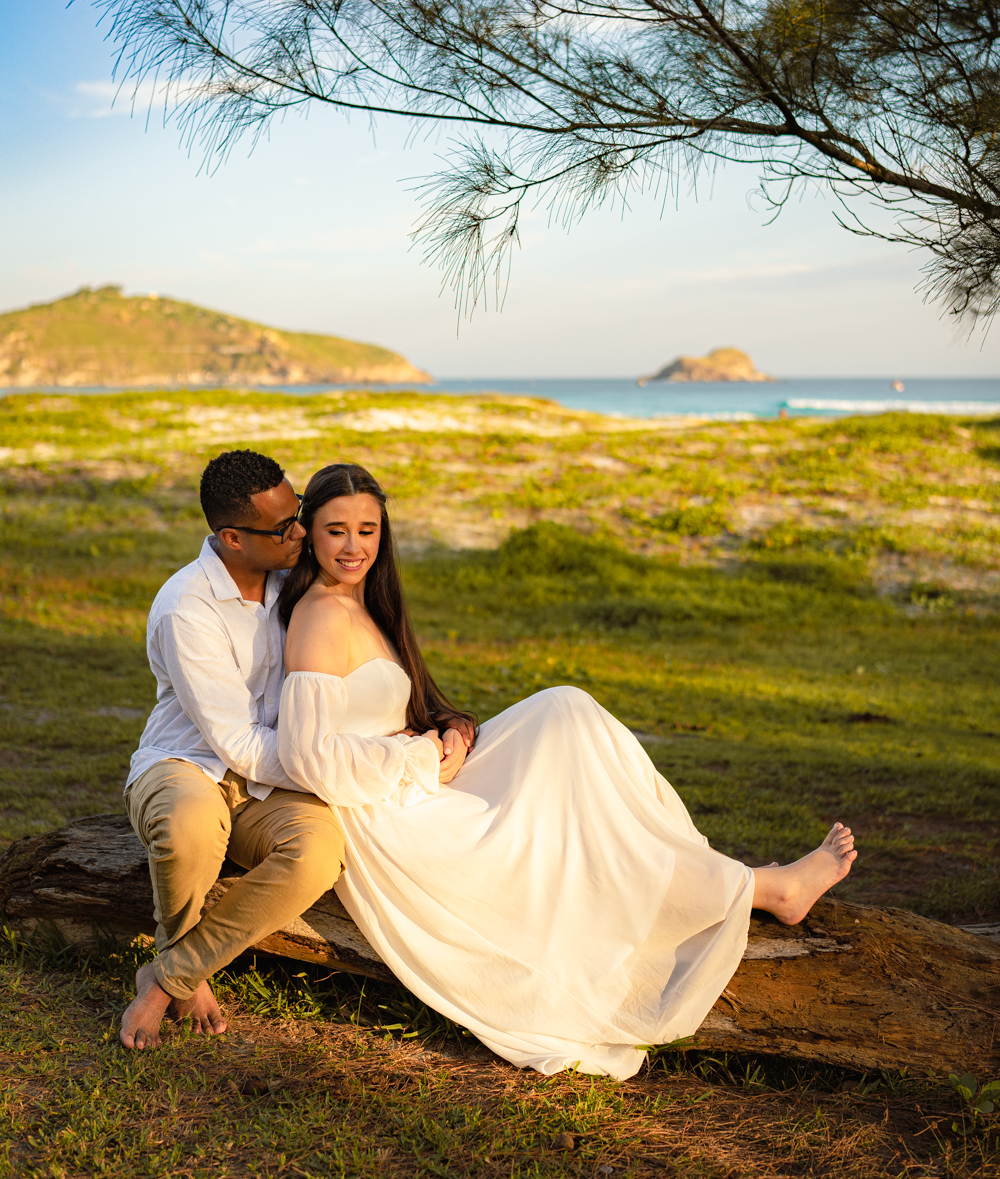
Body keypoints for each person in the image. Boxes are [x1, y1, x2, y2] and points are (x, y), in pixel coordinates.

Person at [276, 461, 858, 1080]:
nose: (353, 546)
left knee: (565, 712)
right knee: (569, 813)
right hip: (391, 809)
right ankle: (768, 890)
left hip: (414, 775)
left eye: (367, 530)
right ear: (309, 532)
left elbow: (393, 708)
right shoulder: (320, 616)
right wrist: (420, 758)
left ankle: (717, 873)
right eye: (336, 530)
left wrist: (448, 730)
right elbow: (308, 755)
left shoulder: (364, 604)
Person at [119, 450, 345, 1051]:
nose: (301, 532)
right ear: (232, 538)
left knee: (318, 852)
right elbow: (236, 741)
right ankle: (186, 974)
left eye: (298, 515)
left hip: (268, 780)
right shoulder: (185, 607)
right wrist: (330, 770)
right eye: (283, 529)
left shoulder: (294, 580)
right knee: (188, 824)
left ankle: (169, 974)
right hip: (185, 763)